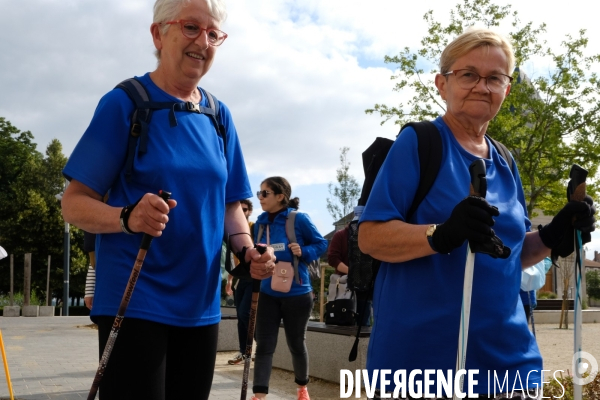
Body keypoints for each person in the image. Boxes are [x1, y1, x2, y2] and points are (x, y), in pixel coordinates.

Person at [358, 27, 595, 399]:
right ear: (442, 83)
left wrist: (555, 233)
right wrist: (440, 234)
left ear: (507, 89)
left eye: (495, 78)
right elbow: (371, 237)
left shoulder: (505, 159)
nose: (482, 87)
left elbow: (506, 254)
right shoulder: (420, 142)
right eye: (468, 74)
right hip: (423, 366)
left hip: (509, 364)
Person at [60, 0, 275, 399]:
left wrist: (248, 251)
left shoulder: (218, 115)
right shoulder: (126, 102)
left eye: (213, 34)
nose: (203, 42)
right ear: (159, 34)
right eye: (191, 27)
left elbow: (231, 206)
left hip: (200, 303)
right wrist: (127, 216)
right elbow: (73, 203)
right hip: (134, 296)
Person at [251, 177, 328, 400]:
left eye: (265, 193)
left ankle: (302, 388)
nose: (260, 198)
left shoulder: (298, 218)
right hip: (267, 291)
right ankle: (259, 395)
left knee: (296, 343)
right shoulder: (260, 222)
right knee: (264, 345)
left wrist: (303, 251)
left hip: (298, 293)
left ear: (280, 197)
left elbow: (321, 244)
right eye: (259, 193)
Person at [226, 198, 255, 365]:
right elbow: (234, 259)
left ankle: (258, 347)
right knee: (240, 315)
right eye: (239, 209)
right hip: (240, 277)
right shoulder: (231, 230)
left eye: (244, 209)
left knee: (246, 313)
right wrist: (230, 280)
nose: (242, 212)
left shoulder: (252, 228)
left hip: (253, 277)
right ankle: (243, 352)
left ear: (249, 211)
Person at [327, 223, 371, 326]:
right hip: (343, 288)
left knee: (364, 326)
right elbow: (333, 259)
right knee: (341, 325)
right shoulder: (341, 235)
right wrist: (354, 273)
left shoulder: (370, 236)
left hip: (364, 289)